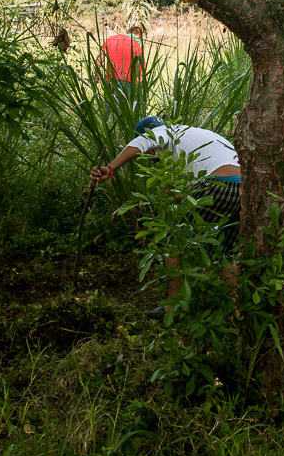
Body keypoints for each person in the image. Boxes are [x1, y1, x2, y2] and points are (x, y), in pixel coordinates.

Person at [89, 115, 241, 313]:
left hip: (219, 183)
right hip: (242, 188)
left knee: (173, 238)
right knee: (225, 251)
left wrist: (110, 169)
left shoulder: (163, 133)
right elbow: (191, 190)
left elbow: (140, 142)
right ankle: (234, 312)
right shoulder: (189, 137)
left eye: (149, 154)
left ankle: (173, 307)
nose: (150, 158)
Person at [100, 24, 146, 90]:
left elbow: (99, 59)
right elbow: (141, 71)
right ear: (139, 36)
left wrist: (96, 74)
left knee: (111, 100)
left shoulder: (111, 39)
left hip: (110, 80)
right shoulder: (136, 44)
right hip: (129, 82)